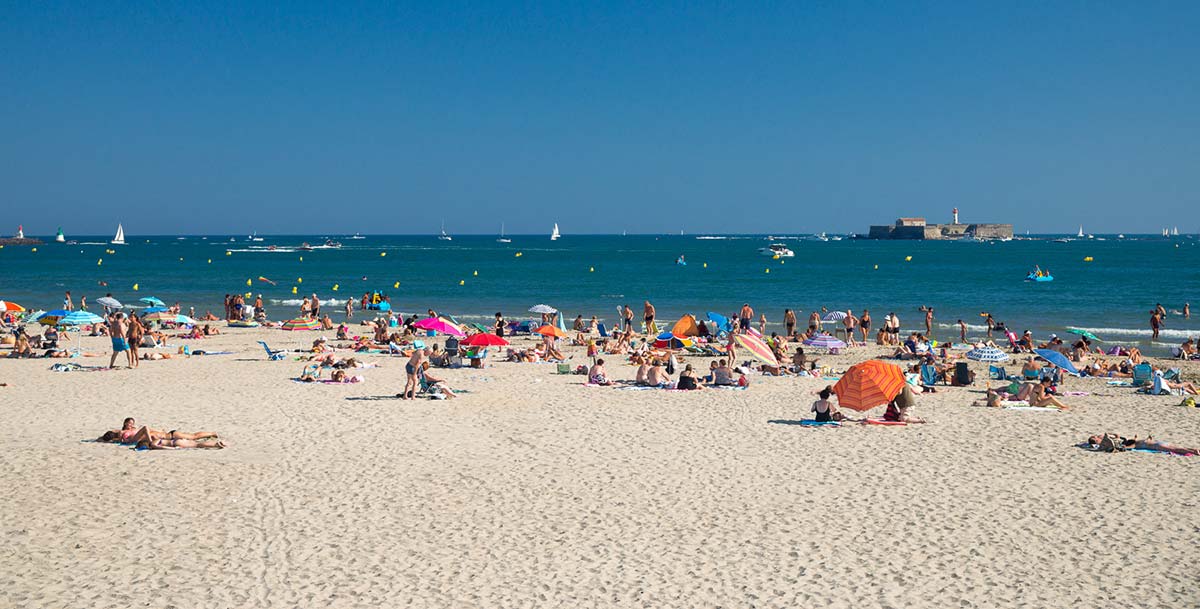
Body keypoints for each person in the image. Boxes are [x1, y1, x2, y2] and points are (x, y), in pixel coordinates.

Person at [1084, 434, 1199, 456]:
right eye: (1096, 438)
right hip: (1151, 444)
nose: (1097, 437)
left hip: (1151, 445)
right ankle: (1192, 450)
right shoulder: (1134, 442)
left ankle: (1193, 450)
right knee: (1174, 447)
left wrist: (1125, 447)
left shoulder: (1135, 444)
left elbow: (1132, 445)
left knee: (1174, 448)